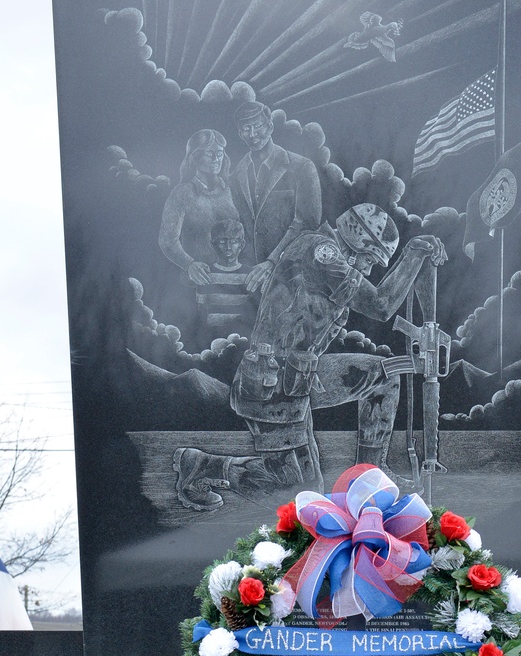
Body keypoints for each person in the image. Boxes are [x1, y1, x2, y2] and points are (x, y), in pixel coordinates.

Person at [173, 203, 446, 511]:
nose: (369, 269)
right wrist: (413, 254)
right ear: (358, 240)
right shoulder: (321, 252)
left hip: (302, 376)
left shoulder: (324, 250)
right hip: (271, 387)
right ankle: (206, 466)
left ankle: (368, 475)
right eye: (370, 259)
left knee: (385, 374)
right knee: (304, 503)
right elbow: (381, 306)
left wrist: (421, 260)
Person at [231, 101, 322, 293]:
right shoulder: (236, 175)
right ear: (240, 134)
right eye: (246, 129)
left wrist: (272, 262)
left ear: (270, 126)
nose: (253, 134)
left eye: (258, 126)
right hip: (249, 280)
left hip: (291, 277)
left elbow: (307, 224)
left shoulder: (302, 167)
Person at [158, 130, 241, 283]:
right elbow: (167, 240)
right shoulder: (181, 194)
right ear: (195, 158)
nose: (216, 159)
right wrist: (189, 264)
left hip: (234, 279)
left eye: (220, 153)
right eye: (209, 154)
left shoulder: (233, 189)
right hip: (196, 282)